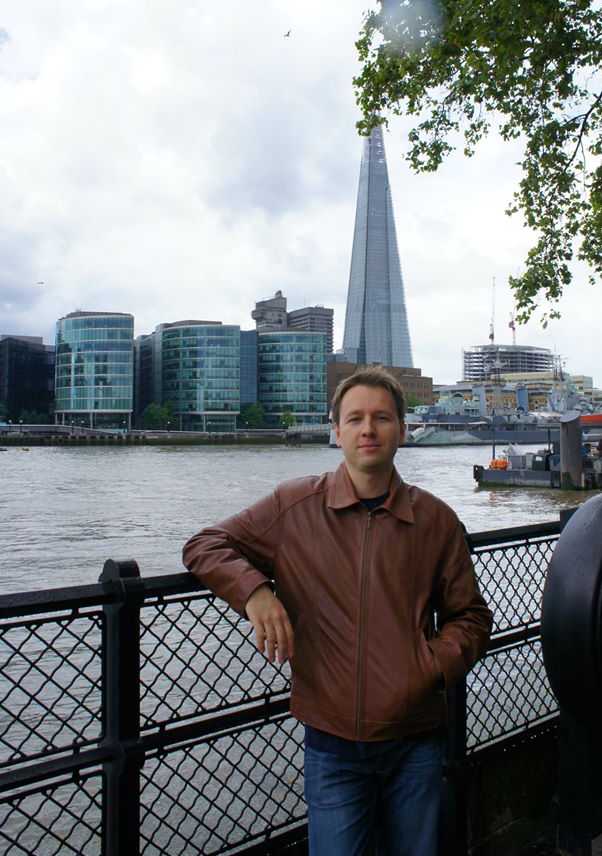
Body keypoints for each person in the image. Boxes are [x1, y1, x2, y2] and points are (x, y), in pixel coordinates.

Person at [183, 365, 492, 855]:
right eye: (355, 419)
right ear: (338, 431)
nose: (369, 429)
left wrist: (430, 668)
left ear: (402, 430)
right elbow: (205, 544)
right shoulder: (294, 506)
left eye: (382, 418)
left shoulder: (436, 520)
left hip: (416, 737)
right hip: (331, 742)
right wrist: (256, 592)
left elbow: (470, 617)